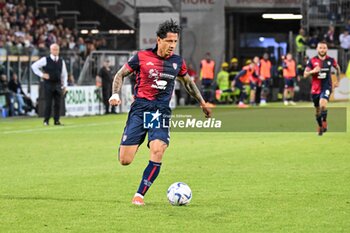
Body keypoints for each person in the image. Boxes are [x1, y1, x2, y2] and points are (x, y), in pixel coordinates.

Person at [108, 19, 211, 206]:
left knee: (157, 150)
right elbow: (120, 74)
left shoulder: (177, 62)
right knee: (125, 160)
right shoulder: (141, 57)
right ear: (159, 40)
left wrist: (202, 103)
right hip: (140, 109)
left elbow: (188, 83)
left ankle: (139, 194)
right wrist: (115, 94)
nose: (172, 46)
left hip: (160, 111)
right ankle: (131, 141)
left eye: (175, 42)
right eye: (169, 41)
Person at [303, 41, 341, 136]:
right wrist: (313, 71)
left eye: (324, 48)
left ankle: (324, 121)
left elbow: (338, 68)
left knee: (323, 104)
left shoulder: (331, 60)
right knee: (317, 110)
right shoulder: (312, 61)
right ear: (317, 49)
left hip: (326, 86)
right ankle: (320, 126)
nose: (322, 49)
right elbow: (305, 75)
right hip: (315, 89)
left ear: (327, 49)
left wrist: (338, 80)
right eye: (320, 48)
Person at [31, 43, 68, 126]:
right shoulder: (45, 60)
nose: (55, 51)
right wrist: (42, 74)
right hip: (49, 84)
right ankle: (46, 120)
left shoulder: (61, 61)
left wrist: (65, 85)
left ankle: (56, 120)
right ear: (51, 50)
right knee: (48, 103)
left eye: (57, 49)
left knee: (58, 104)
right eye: (54, 49)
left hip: (58, 84)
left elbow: (64, 74)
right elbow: (34, 66)